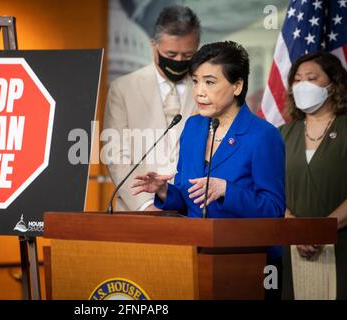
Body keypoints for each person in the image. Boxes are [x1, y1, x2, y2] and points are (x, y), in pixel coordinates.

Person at [131, 41, 286, 299]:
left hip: (248, 264)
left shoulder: (263, 136)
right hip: (192, 257)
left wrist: (226, 190)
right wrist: (163, 191)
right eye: (195, 82)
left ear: (237, 86)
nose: (199, 92)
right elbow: (187, 197)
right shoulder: (193, 127)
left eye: (210, 82)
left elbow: (273, 210)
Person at [103, 5, 201, 211]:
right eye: (171, 54)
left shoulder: (207, 89)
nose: (179, 61)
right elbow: (115, 155)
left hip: (192, 211)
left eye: (187, 55)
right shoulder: (123, 89)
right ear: (153, 44)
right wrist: (145, 205)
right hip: (137, 212)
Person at [279, 52, 347, 300]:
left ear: (333, 85)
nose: (302, 85)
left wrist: (321, 230)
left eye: (311, 78)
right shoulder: (280, 135)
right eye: (297, 80)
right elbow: (269, 191)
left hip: (341, 244)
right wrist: (296, 229)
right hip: (292, 246)